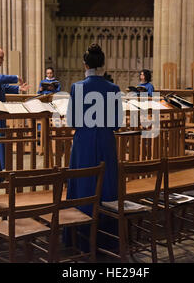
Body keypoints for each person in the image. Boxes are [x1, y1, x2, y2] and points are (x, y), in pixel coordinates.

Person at [66, 43, 123, 251]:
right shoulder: (114, 88)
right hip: (106, 142)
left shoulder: (77, 87)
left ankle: (80, 238)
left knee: (84, 184)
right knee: (107, 185)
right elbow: (117, 123)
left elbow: (72, 120)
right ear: (103, 65)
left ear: (84, 64)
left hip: (84, 143)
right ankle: (107, 238)